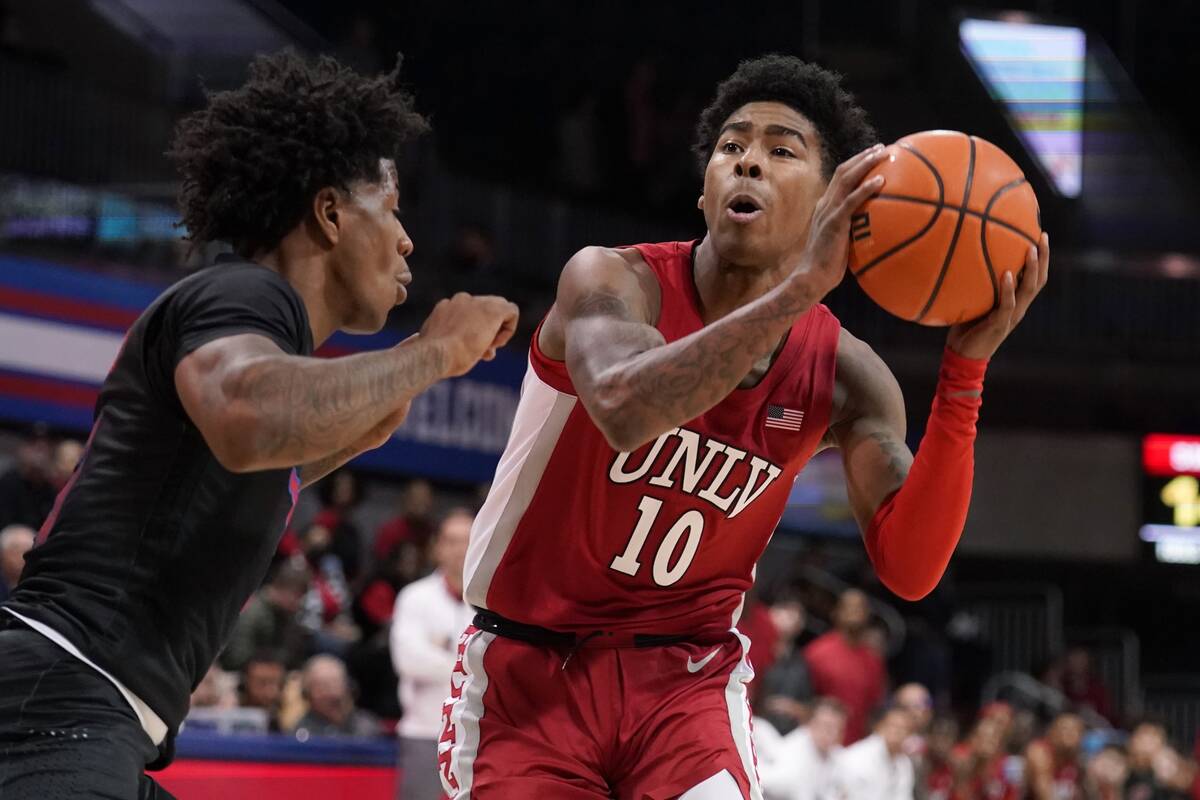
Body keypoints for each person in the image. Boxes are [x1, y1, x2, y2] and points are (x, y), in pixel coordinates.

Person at [441, 53, 1049, 799]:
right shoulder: (609, 280)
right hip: (531, 675)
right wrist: (801, 289)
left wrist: (963, 375)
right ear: (703, 192)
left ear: (835, 203)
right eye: (732, 147)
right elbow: (627, 408)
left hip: (685, 683)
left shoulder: (848, 376)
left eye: (780, 150)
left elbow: (911, 570)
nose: (748, 164)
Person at [0, 50, 518, 798]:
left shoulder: (262, 340)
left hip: (84, 711)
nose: (407, 239)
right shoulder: (243, 294)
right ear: (331, 212)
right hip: (59, 701)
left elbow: (281, 446)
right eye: (392, 205)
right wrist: (433, 353)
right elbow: (250, 418)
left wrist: (408, 372)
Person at [390, 508, 474, 800]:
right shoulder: (415, 597)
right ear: (437, 547)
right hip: (424, 734)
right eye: (451, 541)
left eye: (467, 540)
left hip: (478, 737)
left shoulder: (493, 602)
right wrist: (472, 664)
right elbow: (408, 660)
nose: (460, 550)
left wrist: (443, 657)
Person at [804, 589, 888, 743]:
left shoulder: (874, 661)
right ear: (836, 613)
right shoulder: (816, 652)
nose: (854, 613)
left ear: (867, 616)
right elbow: (805, 700)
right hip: (818, 742)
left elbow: (874, 709)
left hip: (855, 748)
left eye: (859, 608)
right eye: (848, 607)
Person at [220, 559, 314, 672]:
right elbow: (235, 658)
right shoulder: (254, 612)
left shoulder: (283, 613)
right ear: (285, 590)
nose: (298, 603)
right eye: (298, 596)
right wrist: (274, 658)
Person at [759, 697, 848, 800]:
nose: (832, 734)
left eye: (837, 728)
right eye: (827, 726)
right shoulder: (792, 751)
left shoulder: (837, 755)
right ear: (811, 724)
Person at [831, 706, 916, 800]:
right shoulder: (857, 757)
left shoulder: (904, 763)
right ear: (879, 726)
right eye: (893, 726)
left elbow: (904, 796)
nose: (897, 732)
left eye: (904, 728)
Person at [291, 654, 377, 738]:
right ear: (307, 693)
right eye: (322, 687)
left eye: (336, 684)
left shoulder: (368, 727)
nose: (332, 693)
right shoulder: (302, 734)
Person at [1025, 711, 1086, 800]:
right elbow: (1044, 794)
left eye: (1076, 730)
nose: (1070, 734)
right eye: (1065, 729)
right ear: (1053, 731)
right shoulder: (1040, 752)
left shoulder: (1076, 761)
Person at [239, 650, 287, 731]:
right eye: (262, 683)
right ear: (245, 683)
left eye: (277, 684)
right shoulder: (226, 717)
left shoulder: (289, 721)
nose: (271, 692)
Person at [0, 523, 34, 602]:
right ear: (2, 554)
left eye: (28, 552)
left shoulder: (41, 587)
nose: (22, 558)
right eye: (16, 551)